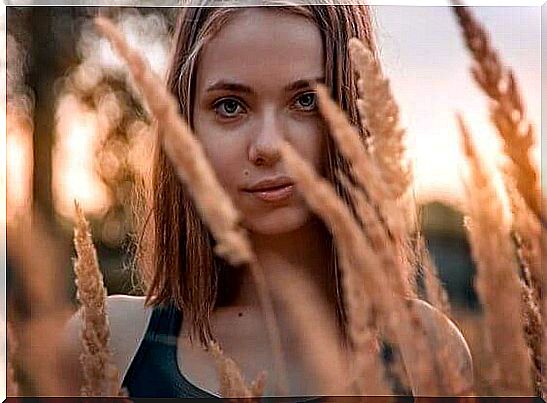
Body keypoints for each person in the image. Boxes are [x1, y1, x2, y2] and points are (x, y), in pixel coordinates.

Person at [65, 3, 474, 398]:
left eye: (307, 101)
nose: (268, 146)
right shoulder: (108, 342)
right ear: (184, 127)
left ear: (355, 113)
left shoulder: (428, 353)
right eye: (230, 106)